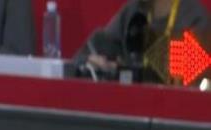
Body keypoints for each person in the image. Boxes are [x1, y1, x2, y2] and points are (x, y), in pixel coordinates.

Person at [74, 0, 210, 82]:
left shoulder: (195, 19)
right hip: (130, 110)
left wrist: (122, 70)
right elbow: (86, 54)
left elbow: (183, 81)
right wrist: (91, 62)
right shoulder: (133, 11)